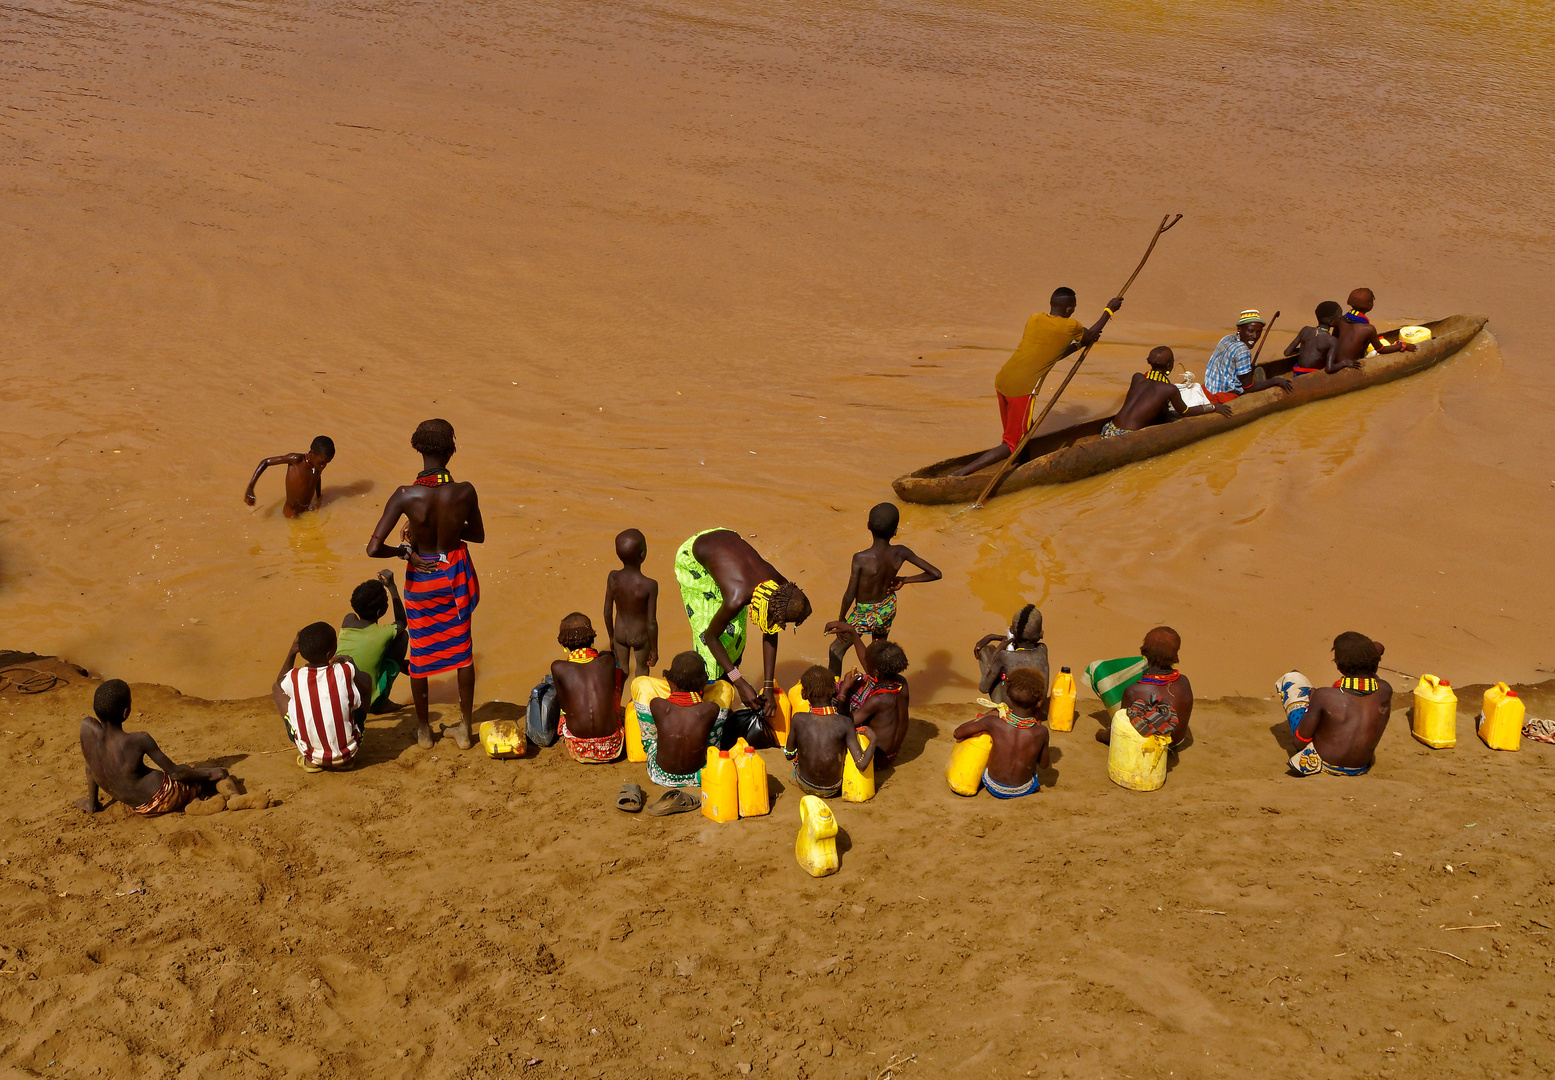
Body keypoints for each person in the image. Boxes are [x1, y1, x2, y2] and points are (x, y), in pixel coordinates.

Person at [365, 419, 484, 750]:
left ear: (418, 449)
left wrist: (406, 551)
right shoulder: (465, 491)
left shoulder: (406, 495)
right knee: (463, 654)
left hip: (422, 584)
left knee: (420, 655)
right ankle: (464, 730)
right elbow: (478, 535)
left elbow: (373, 548)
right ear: (451, 450)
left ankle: (423, 731)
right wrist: (449, 529)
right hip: (454, 581)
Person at [953, 287, 1124, 475]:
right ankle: (961, 473)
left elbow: (1051, 354)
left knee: (1023, 432)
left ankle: (1024, 464)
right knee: (1012, 443)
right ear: (1069, 309)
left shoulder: (1034, 319)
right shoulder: (1071, 326)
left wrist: (1078, 345)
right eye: (1074, 307)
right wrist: (1108, 311)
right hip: (1023, 388)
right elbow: (1090, 335)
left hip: (1003, 379)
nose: (1074, 310)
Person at [675, 528, 811, 721]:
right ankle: (707, 694)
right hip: (695, 557)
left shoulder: (781, 586)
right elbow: (710, 636)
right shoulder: (737, 597)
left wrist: (768, 686)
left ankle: (728, 676)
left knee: (735, 634)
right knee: (708, 647)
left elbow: (770, 629)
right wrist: (739, 681)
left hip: (725, 543)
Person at [76, 679, 229, 815]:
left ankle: (197, 796)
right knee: (201, 772)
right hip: (165, 796)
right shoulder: (139, 740)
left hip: (139, 807)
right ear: (126, 712)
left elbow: (90, 767)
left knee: (189, 772)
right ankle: (228, 798)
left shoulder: (86, 729)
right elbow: (176, 774)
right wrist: (209, 774)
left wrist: (92, 803)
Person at [828, 502, 941, 675]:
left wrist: (842, 618)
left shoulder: (860, 558)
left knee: (835, 650)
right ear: (895, 531)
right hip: (887, 607)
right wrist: (905, 580)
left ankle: (832, 693)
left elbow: (850, 594)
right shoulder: (901, 552)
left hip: (865, 613)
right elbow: (935, 573)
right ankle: (878, 686)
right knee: (878, 651)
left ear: (868, 526)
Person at [1276, 633, 1394, 776]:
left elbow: (1299, 742)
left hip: (1325, 764)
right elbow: (1378, 649)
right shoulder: (1385, 690)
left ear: (1338, 665)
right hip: (1360, 767)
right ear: (1374, 663)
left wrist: (1313, 702)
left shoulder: (1324, 696)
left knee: (1293, 679)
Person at [272, 622, 373, 773]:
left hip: (312, 755)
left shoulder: (295, 676)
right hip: (348, 753)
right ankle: (345, 761)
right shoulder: (344, 670)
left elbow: (279, 683)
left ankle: (311, 762)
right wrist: (352, 666)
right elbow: (364, 688)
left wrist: (292, 652)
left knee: (277, 689)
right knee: (367, 683)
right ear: (330, 653)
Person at [642, 652, 728, 811]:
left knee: (652, 740)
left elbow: (652, 734)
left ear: (671, 682)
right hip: (700, 775)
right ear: (703, 684)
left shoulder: (658, 706)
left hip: (661, 776)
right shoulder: (710, 709)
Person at [952, 668, 1050, 799]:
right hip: (1022, 789)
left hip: (993, 785)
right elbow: (1044, 765)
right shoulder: (1041, 731)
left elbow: (958, 733)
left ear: (1007, 693)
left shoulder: (993, 721)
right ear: (1039, 701)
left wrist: (987, 716)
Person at [785, 666, 875, 799]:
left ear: (804, 694)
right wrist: (873, 740)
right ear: (834, 691)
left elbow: (789, 755)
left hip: (806, 785)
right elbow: (861, 764)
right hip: (833, 789)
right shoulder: (845, 723)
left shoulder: (798, 719)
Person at [1098, 627, 1194, 751]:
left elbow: (1121, 728)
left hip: (1153, 749)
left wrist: (1102, 735)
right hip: (1176, 744)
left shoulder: (1134, 691)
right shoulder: (1184, 682)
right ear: (1175, 654)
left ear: (1145, 652)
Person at [1100, 347, 1232, 437]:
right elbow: (1187, 412)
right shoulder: (1169, 389)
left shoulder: (1137, 377)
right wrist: (1214, 407)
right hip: (1126, 436)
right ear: (1170, 366)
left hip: (1107, 429)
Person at [828, 622, 911, 763]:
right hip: (893, 753)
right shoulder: (902, 684)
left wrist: (844, 690)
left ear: (877, 672)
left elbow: (843, 723)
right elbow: (871, 667)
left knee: (834, 701)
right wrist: (853, 633)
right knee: (865, 684)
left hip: (875, 759)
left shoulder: (878, 700)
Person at [550, 613, 624, 763]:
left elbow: (564, 707)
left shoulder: (558, 667)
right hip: (612, 746)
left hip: (579, 746)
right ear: (592, 637)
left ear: (564, 643)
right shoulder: (609, 661)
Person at [335, 570, 408, 713]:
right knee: (402, 637)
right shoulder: (383, 633)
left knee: (374, 649)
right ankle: (382, 702)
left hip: (341, 697)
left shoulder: (348, 620)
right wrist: (392, 587)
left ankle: (400, 665)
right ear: (382, 611)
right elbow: (401, 622)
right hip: (369, 701)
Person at [603, 528, 659, 682]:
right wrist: (654, 649)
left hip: (620, 633)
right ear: (643, 554)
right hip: (640, 635)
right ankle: (637, 705)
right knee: (641, 672)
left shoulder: (613, 577)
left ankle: (616, 703)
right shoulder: (650, 585)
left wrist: (611, 637)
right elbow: (651, 622)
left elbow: (607, 612)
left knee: (621, 672)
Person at [1204, 310, 1294, 404]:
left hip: (1209, 388)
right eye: (1250, 331)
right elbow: (1248, 387)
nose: (1255, 336)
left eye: (1258, 332)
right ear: (1239, 328)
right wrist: (1276, 381)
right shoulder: (1242, 350)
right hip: (1223, 395)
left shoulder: (1227, 338)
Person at [975, 604, 1050, 705]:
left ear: (1011, 631)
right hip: (1035, 707)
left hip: (1013, 708)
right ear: (1041, 634)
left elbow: (983, 688)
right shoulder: (1043, 649)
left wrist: (997, 648)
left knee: (987, 651)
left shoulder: (1005, 656)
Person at [243, 435, 335, 517]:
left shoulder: (318, 465)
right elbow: (265, 462)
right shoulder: (296, 460)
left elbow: (317, 477)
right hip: (291, 513)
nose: (323, 466)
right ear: (311, 454)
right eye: (322, 462)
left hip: (306, 509)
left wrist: (319, 497)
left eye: (327, 463)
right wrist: (250, 488)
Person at [1334, 288, 1420, 365]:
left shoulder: (1340, 320)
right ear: (1369, 305)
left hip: (1334, 362)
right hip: (1351, 364)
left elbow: (1334, 341)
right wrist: (1402, 345)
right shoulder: (1368, 329)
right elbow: (1381, 349)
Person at [1283, 301, 1356, 376]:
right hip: (1312, 375)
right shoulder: (1332, 340)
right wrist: (1345, 363)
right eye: (1340, 316)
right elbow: (1329, 369)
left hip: (1297, 371)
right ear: (1331, 322)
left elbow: (1287, 352)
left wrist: (1304, 348)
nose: (1341, 318)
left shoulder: (1305, 330)